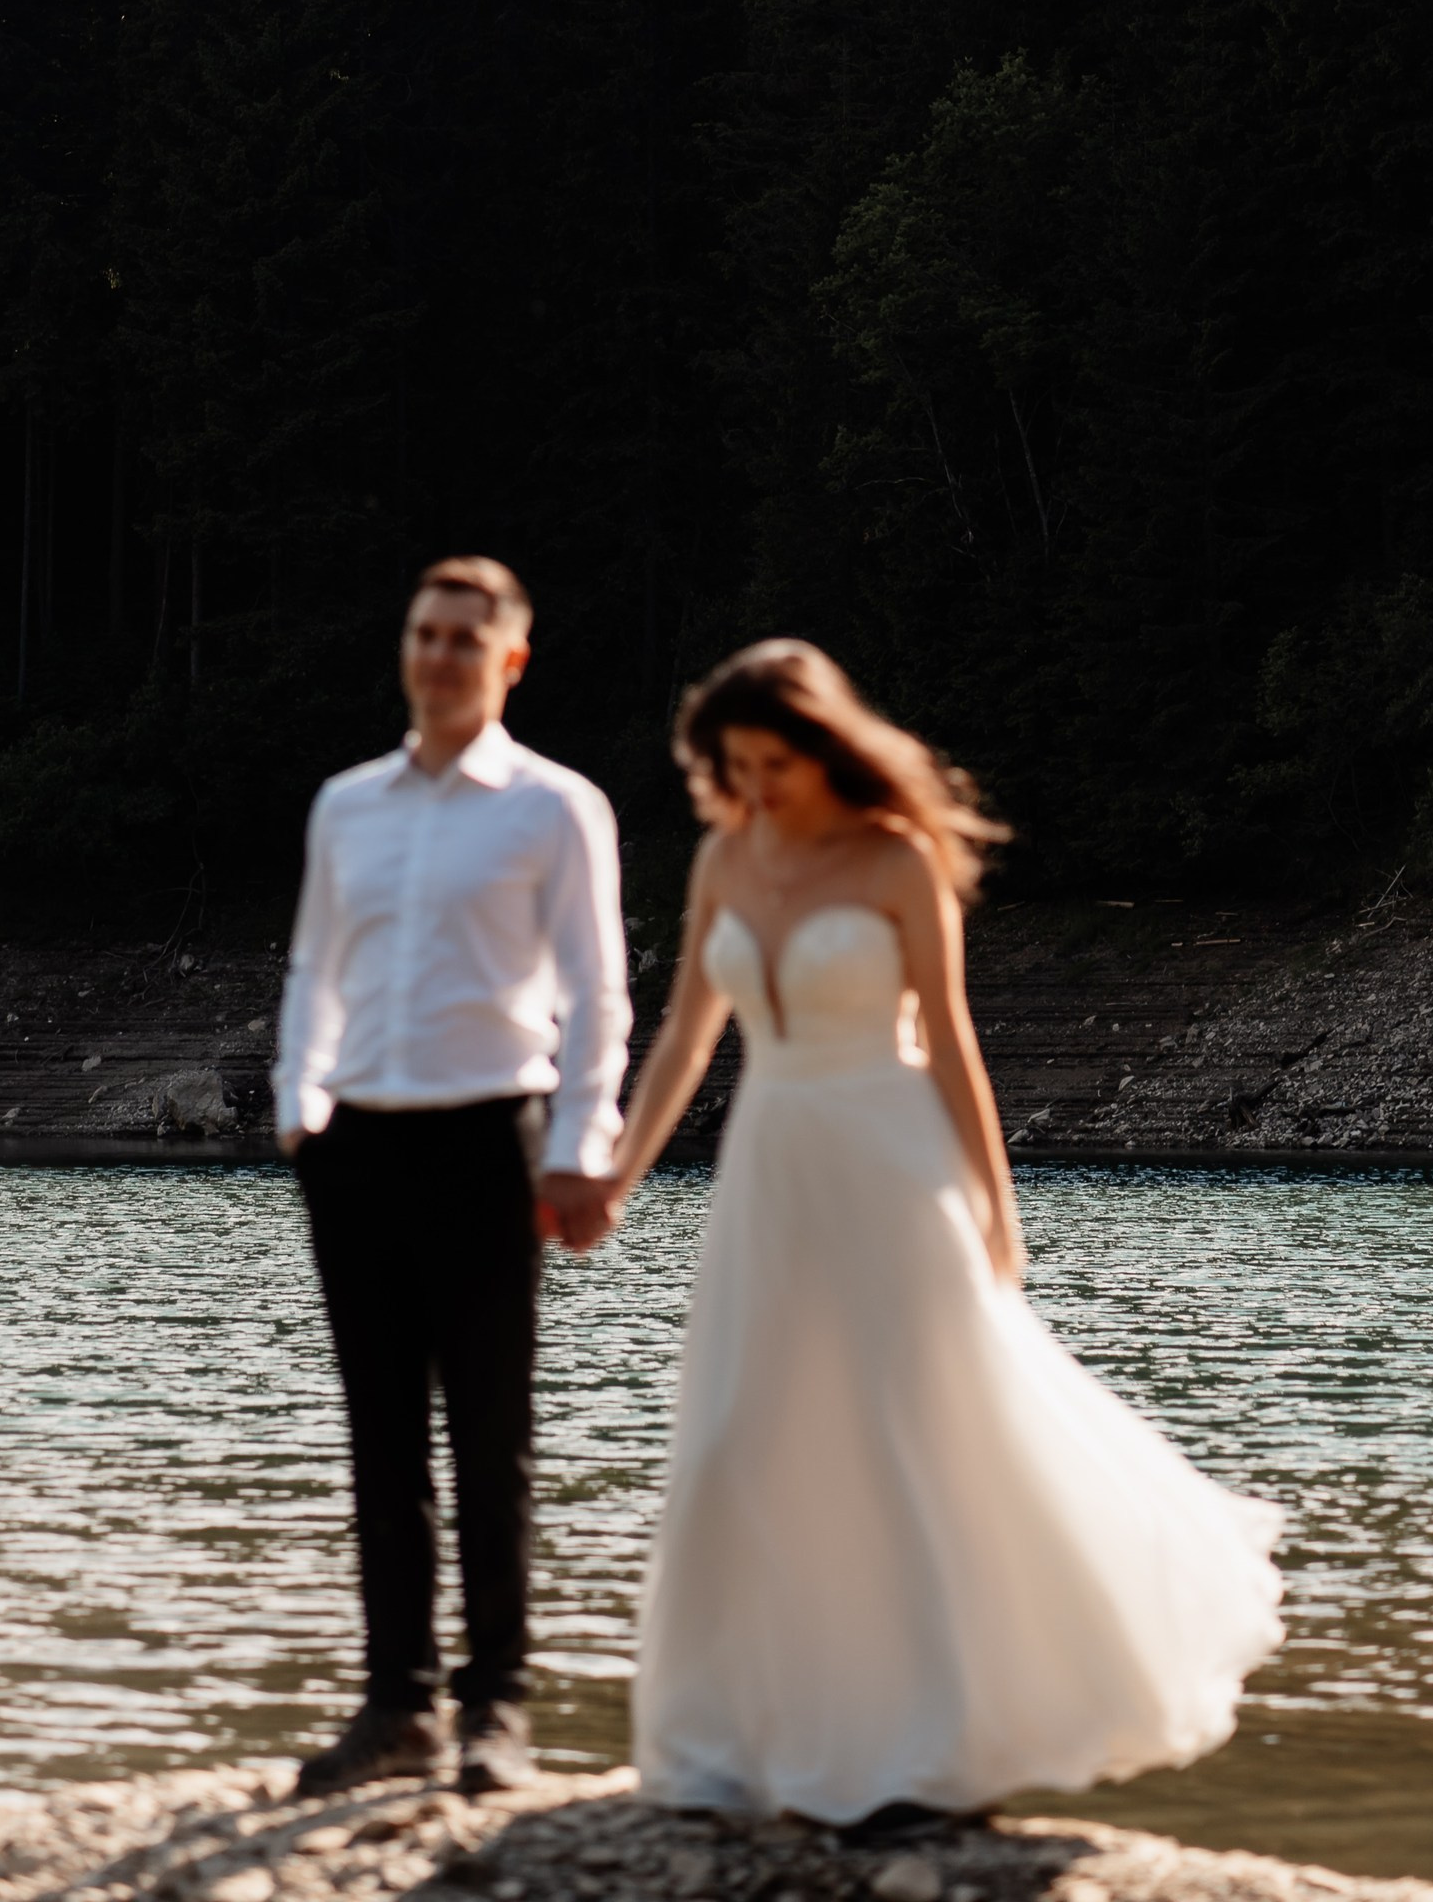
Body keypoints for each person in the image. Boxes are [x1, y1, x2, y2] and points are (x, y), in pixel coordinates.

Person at [608, 640, 1283, 1826]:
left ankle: (920, 1753)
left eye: (776, 761)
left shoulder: (894, 859)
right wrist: (616, 1172)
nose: (758, 786)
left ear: (824, 747)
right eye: (736, 766)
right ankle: (724, 1746)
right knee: (737, 1435)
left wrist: (994, 1209)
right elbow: (683, 1039)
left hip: (887, 1159)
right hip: (768, 1167)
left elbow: (952, 1037)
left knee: (894, 1434)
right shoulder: (724, 856)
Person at [274, 557, 630, 1798]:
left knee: (490, 1433)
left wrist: (585, 1146)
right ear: (404, 645)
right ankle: (395, 1707)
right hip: (355, 1141)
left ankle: (497, 1710)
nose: (438, 654)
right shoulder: (345, 804)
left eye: (464, 639)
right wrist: (296, 1110)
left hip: (491, 1136)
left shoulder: (553, 806)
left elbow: (596, 994)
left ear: (509, 659)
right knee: (380, 1436)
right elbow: (314, 966)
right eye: (422, 632)